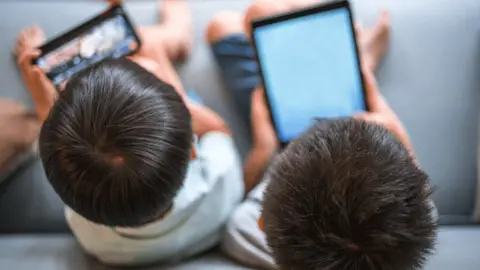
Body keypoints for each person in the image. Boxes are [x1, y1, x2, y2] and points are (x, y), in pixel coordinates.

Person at [14, 0, 267, 266]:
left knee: (139, 60)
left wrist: (44, 103)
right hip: (202, 215)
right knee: (149, 47)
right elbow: (217, 129)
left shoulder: (90, 232)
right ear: (193, 149)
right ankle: (177, 27)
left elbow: (65, 158)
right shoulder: (218, 179)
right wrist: (163, 76)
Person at [206, 0, 437, 268]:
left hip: (283, 138)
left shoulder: (243, 232)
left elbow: (421, 199)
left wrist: (262, 150)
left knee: (241, 19)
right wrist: (394, 128)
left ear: (264, 224)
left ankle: (354, 69)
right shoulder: (410, 225)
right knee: (259, 17)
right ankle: (361, 65)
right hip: (340, 127)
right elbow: (418, 196)